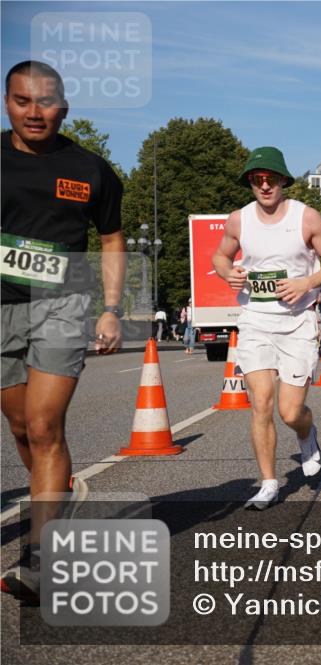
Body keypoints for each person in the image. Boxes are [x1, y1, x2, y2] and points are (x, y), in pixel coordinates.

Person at [1, 61, 125, 602]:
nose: (34, 112)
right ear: (8, 102)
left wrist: (111, 308)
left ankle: (40, 556)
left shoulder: (92, 170)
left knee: (45, 424)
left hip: (62, 305)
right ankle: (60, 494)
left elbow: (113, 240)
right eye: (23, 101)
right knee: (21, 427)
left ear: (64, 108)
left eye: (45, 102)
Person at [212, 146, 321, 510]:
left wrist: (307, 283)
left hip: (298, 321)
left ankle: (307, 433)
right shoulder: (239, 219)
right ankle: (269, 482)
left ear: (283, 180)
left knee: (290, 411)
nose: (265, 186)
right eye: (257, 180)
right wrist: (229, 273)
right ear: (250, 183)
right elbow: (221, 255)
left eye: (271, 179)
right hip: (255, 318)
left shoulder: (307, 218)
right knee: (261, 404)